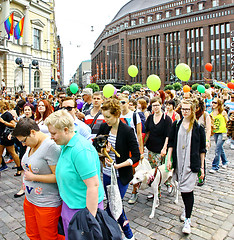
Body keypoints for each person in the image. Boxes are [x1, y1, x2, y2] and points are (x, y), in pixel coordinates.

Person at [45, 110, 104, 240]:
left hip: (82, 209)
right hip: (72, 205)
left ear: (66, 130)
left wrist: (89, 220)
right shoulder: (67, 145)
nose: (51, 136)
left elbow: (93, 185)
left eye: (53, 133)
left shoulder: (81, 150)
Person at [12, 118, 63, 240]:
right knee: (33, 234)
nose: (23, 144)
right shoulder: (32, 143)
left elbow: (58, 176)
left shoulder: (50, 147)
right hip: (30, 199)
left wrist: (34, 177)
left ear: (32, 132)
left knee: (48, 236)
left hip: (46, 203)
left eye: (24, 141)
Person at [97, 98, 140, 240]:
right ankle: (120, 234)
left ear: (116, 114)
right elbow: (96, 148)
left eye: (108, 117)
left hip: (121, 175)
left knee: (114, 206)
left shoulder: (127, 130)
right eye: (104, 116)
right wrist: (104, 150)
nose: (106, 120)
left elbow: (136, 156)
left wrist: (119, 165)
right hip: (107, 174)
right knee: (114, 205)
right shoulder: (104, 128)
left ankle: (122, 234)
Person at [167, 99, 206, 234]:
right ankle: (186, 208)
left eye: (187, 109)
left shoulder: (198, 127)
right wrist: (169, 159)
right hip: (179, 163)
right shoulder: (176, 124)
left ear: (193, 110)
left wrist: (202, 167)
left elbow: (202, 149)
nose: (184, 112)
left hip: (191, 165)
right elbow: (171, 143)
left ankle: (187, 220)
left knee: (186, 191)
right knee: (184, 190)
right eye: (182, 109)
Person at [144, 97, 172, 197]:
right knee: (153, 170)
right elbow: (146, 132)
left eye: (157, 105)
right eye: (153, 105)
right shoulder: (150, 118)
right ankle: (157, 191)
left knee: (159, 171)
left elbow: (168, 135)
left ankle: (162, 188)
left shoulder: (166, 119)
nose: (155, 107)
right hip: (151, 148)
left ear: (161, 105)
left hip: (160, 149)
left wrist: (164, 148)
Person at [0, 101, 22, 175]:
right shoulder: (1, 114)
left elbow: (13, 125)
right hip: (1, 137)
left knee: (12, 153)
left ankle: (19, 169)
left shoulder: (7, 114)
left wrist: (4, 122)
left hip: (7, 137)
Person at [195, 97, 211, 186]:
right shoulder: (192, 114)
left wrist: (207, 140)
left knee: (202, 158)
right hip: (194, 139)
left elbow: (208, 129)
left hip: (202, 139)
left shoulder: (205, 115)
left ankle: (201, 177)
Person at [209, 98, 228, 173]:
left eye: (215, 103)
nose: (213, 104)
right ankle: (225, 161)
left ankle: (215, 166)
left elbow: (227, 121)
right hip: (215, 132)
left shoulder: (223, 112)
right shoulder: (212, 113)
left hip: (222, 132)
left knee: (217, 149)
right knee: (220, 148)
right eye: (213, 102)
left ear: (219, 104)